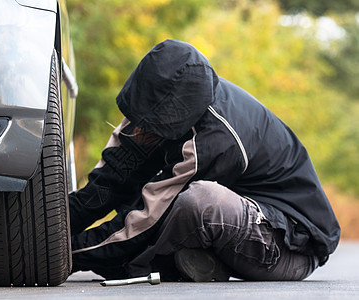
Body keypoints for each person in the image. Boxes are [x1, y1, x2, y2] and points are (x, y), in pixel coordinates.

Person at [69, 39, 340, 281]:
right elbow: (109, 182)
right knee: (151, 197)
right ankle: (174, 261)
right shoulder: (156, 103)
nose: (136, 127)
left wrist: (66, 254)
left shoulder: (216, 139)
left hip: (288, 248)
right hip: (239, 229)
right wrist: (49, 226)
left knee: (200, 200)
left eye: (146, 125)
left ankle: (149, 264)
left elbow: (146, 217)